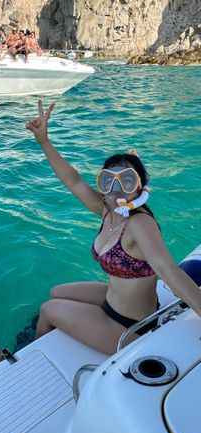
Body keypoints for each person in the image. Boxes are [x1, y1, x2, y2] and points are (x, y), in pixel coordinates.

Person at [26, 100, 201, 355]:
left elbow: (168, 270)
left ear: (140, 186)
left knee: (47, 310)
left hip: (130, 325)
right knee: (56, 292)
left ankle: (33, 355)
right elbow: (73, 181)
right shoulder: (107, 211)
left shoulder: (139, 222)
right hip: (112, 299)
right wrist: (44, 142)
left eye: (127, 180)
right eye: (109, 181)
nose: (117, 189)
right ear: (102, 186)